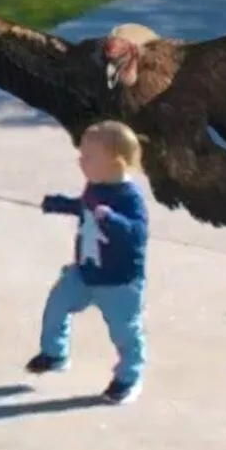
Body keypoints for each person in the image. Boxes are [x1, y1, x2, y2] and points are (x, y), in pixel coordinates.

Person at [25, 120, 149, 405]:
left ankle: (128, 377)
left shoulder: (129, 198)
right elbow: (85, 207)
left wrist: (113, 219)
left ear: (115, 164)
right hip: (84, 273)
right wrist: (62, 204)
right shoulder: (96, 187)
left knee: (124, 331)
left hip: (119, 283)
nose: (81, 161)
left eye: (89, 157)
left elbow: (136, 233)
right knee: (56, 305)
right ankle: (54, 354)